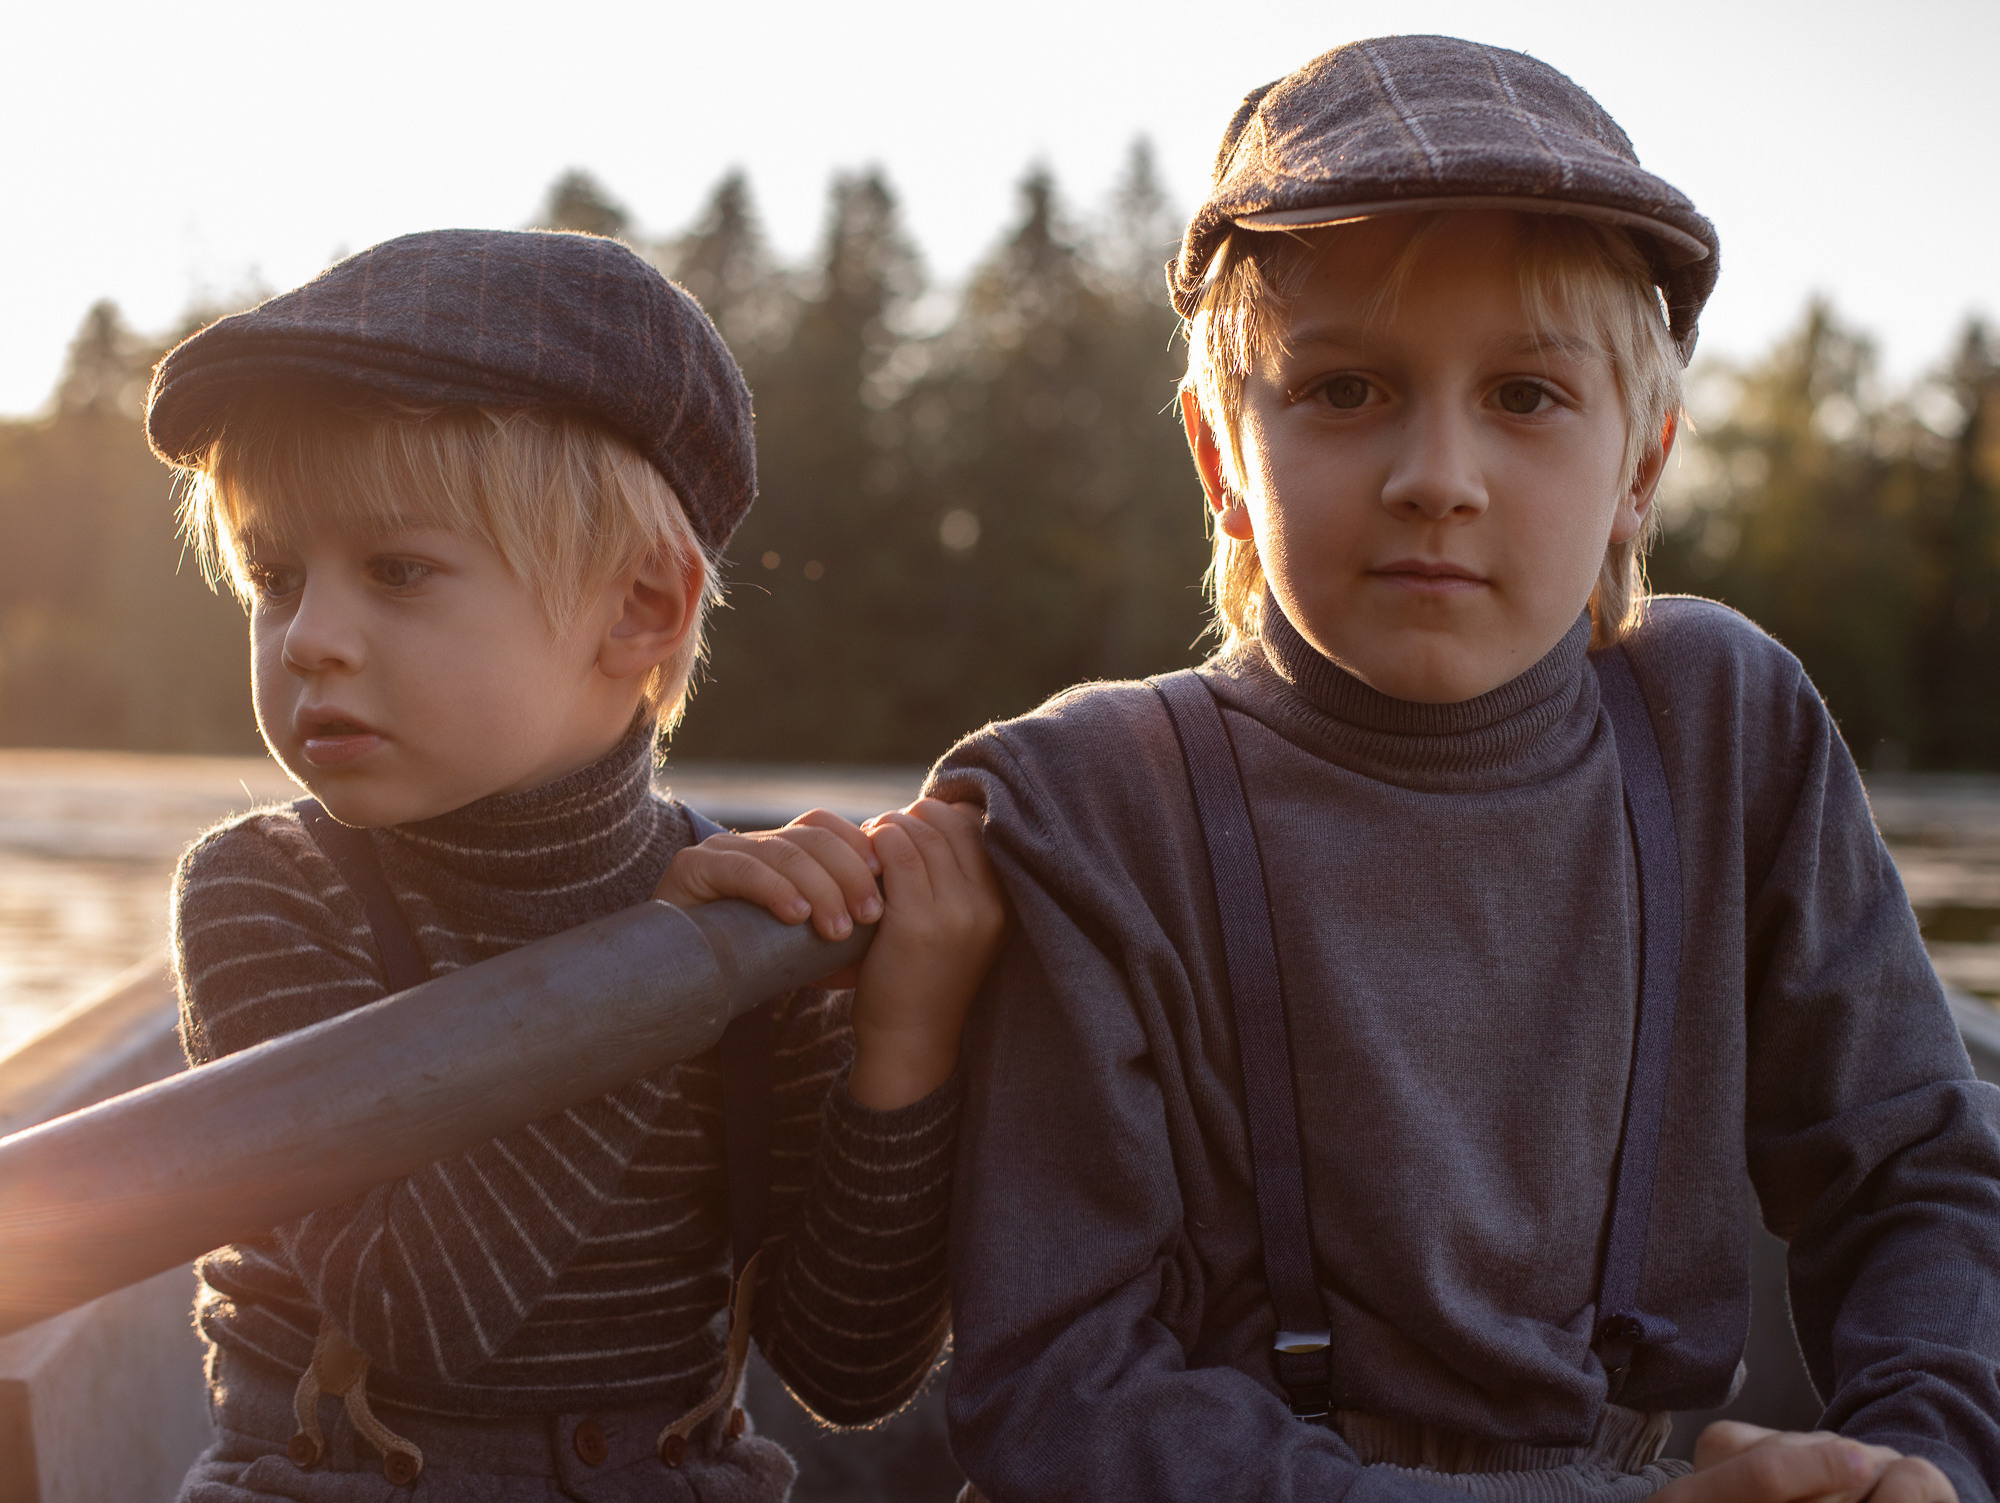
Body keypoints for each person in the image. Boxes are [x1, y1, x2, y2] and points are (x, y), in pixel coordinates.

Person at [934, 35, 2000, 1503]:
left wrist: (1920, 1455)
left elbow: (1917, 1175)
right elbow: (1064, 1393)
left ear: (1642, 466)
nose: (1439, 471)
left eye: (1526, 395)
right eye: (1348, 389)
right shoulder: (1093, 803)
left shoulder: (1725, 720)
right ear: (1218, 458)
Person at [145, 228, 1006, 1501]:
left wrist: (909, 1038)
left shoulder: (754, 916)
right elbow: (413, 1312)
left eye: (397, 571)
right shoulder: (266, 896)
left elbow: (849, 1369)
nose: (312, 636)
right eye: (276, 577)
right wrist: (662, 970)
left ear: (640, 610)